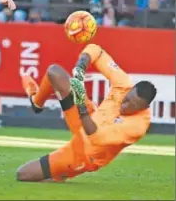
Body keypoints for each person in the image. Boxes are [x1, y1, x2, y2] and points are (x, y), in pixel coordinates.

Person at [16, 44, 157, 182]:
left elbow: (96, 138)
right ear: (130, 90)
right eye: (127, 99)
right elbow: (96, 51)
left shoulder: (138, 126)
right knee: (55, 72)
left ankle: (61, 174)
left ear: (144, 107)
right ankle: (36, 103)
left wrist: (80, 101)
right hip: (88, 116)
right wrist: (81, 66)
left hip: (86, 153)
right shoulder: (124, 84)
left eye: (133, 106)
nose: (125, 106)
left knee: (23, 174)